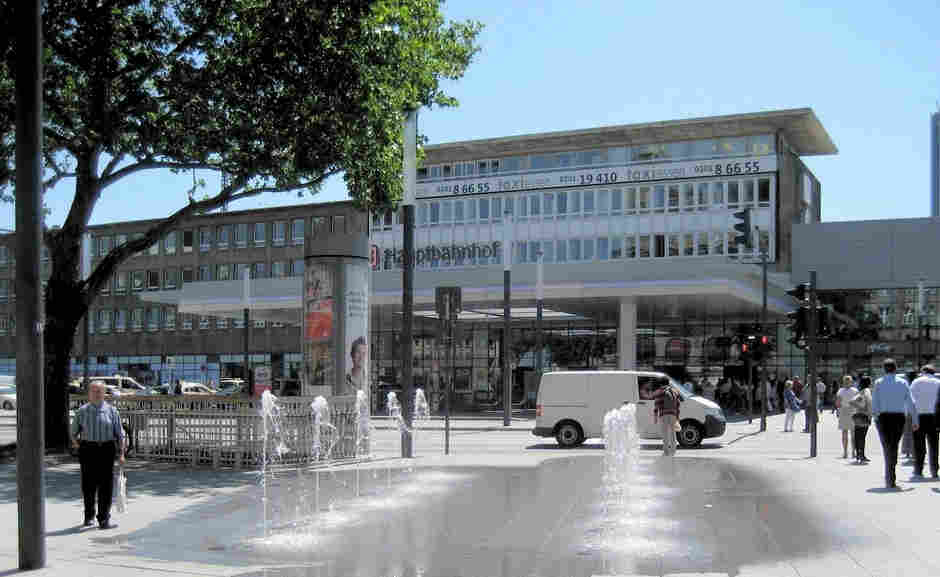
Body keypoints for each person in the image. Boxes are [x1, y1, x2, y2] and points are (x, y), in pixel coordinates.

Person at [70, 380, 126, 529]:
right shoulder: (82, 411)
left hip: (107, 449)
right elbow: (73, 433)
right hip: (88, 449)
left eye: (100, 391)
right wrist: (79, 447)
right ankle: (88, 516)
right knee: (88, 485)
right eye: (94, 391)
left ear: (104, 393)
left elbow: (120, 434)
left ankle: (103, 518)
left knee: (106, 485)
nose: (97, 394)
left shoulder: (112, 411)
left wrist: (121, 454)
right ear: (89, 393)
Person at [872, 359, 918, 489]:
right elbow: (911, 402)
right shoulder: (903, 382)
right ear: (895, 368)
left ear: (884, 369)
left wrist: (875, 417)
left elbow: (875, 402)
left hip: (883, 417)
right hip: (898, 417)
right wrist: (915, 420)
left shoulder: (878, 382)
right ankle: (891, 475)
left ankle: (889, 476)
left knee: (886, 446)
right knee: (894, 445)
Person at [909, 364, 940, 478]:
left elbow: (910, 400)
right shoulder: (938, 382)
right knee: (934, 445)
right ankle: (934, 470)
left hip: (919, 416)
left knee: (918, 445)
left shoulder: (916, 382)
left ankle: (918, 469)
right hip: (934, 417)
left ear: (923, 372)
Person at [652, 382, 682, 456]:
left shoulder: (660, 392)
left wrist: (655, 417)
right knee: (672, 432)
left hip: (663, 415)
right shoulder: (674, 391)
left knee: (665, 433)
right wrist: (677, 416)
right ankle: (673, 450)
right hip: (673, 415)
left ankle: (666, 451)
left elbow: (656, 405)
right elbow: (678, 405)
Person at [849, 375, 873, 463]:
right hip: (864, 416)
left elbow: (852, 401)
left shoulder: (861, 391)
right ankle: (861, 455)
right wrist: (867, 411)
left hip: (857, 415)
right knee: (862, 437)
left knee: (857, 436)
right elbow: (869, 403)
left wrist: (859, 407)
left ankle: (858, 454)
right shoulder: (867, 391)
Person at [835, 375, 859, 459]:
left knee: (844, 433)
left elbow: (838, 403)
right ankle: (853, 452)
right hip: (853, 410)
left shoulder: (840, 391)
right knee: (853, 433)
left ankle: (845, 452)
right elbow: (859, 402)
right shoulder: (855, 390)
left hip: (844, 410)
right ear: (851, 382)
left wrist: (838, 410)